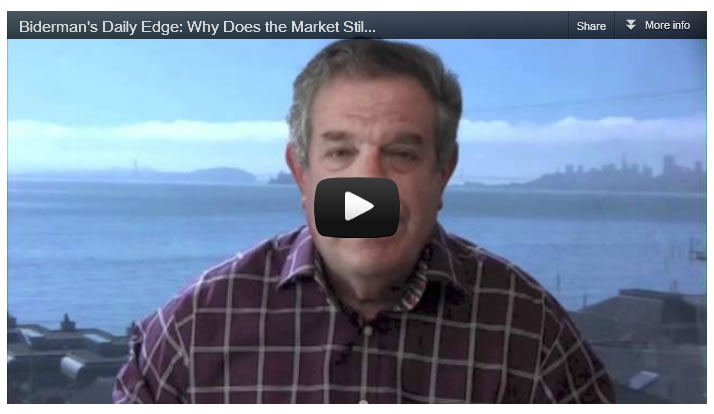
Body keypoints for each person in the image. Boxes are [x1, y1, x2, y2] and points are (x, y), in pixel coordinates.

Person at [113, 39, 614, 404]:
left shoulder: (532, 336)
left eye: (401, 154)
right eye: (340, 152)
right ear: (301, 174)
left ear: (443, 173)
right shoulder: (191, 334)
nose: (367, 184)